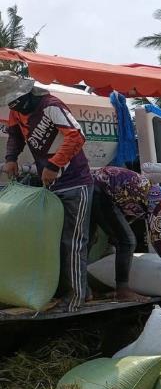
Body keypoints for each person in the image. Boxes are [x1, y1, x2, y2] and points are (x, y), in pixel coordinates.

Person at [1, 73, 92, 312]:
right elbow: (14, 135)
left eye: (17, 103)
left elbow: (77, 135)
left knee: (72, 242)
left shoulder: (51, 106)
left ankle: (75, 298)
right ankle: (61, 290)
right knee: (51, 242)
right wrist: (11, 159)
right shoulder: (17, 110)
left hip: (74, 183)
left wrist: (54, 165)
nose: (14, 108)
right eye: (10, 104)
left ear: (28, 93)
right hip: (50, 185)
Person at [90, 166, 161, 302]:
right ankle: (123, 291)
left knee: (101, 239)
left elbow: (122, 220)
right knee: (128, 242)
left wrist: (111, 237)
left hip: (94, 186)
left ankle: (87, 290)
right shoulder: (159, 201)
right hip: (101, 191)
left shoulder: (152, 193)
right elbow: (156, 239)